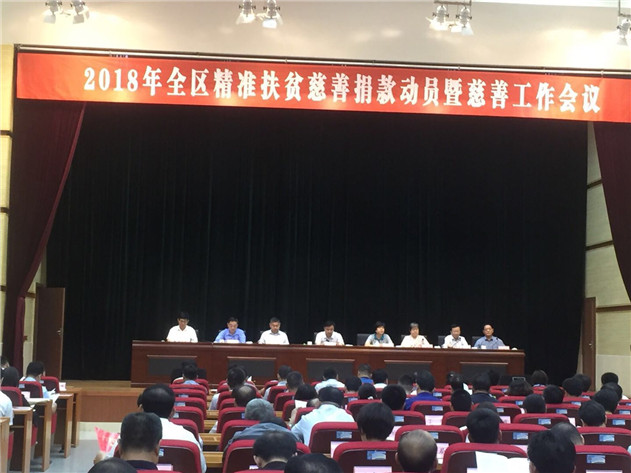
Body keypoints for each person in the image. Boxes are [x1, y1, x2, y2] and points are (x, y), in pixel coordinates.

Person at [227, 398, 300, 448]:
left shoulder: (239, 436)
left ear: (246, 415)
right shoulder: (293, 437)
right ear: (273, 414)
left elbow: (226, 456)